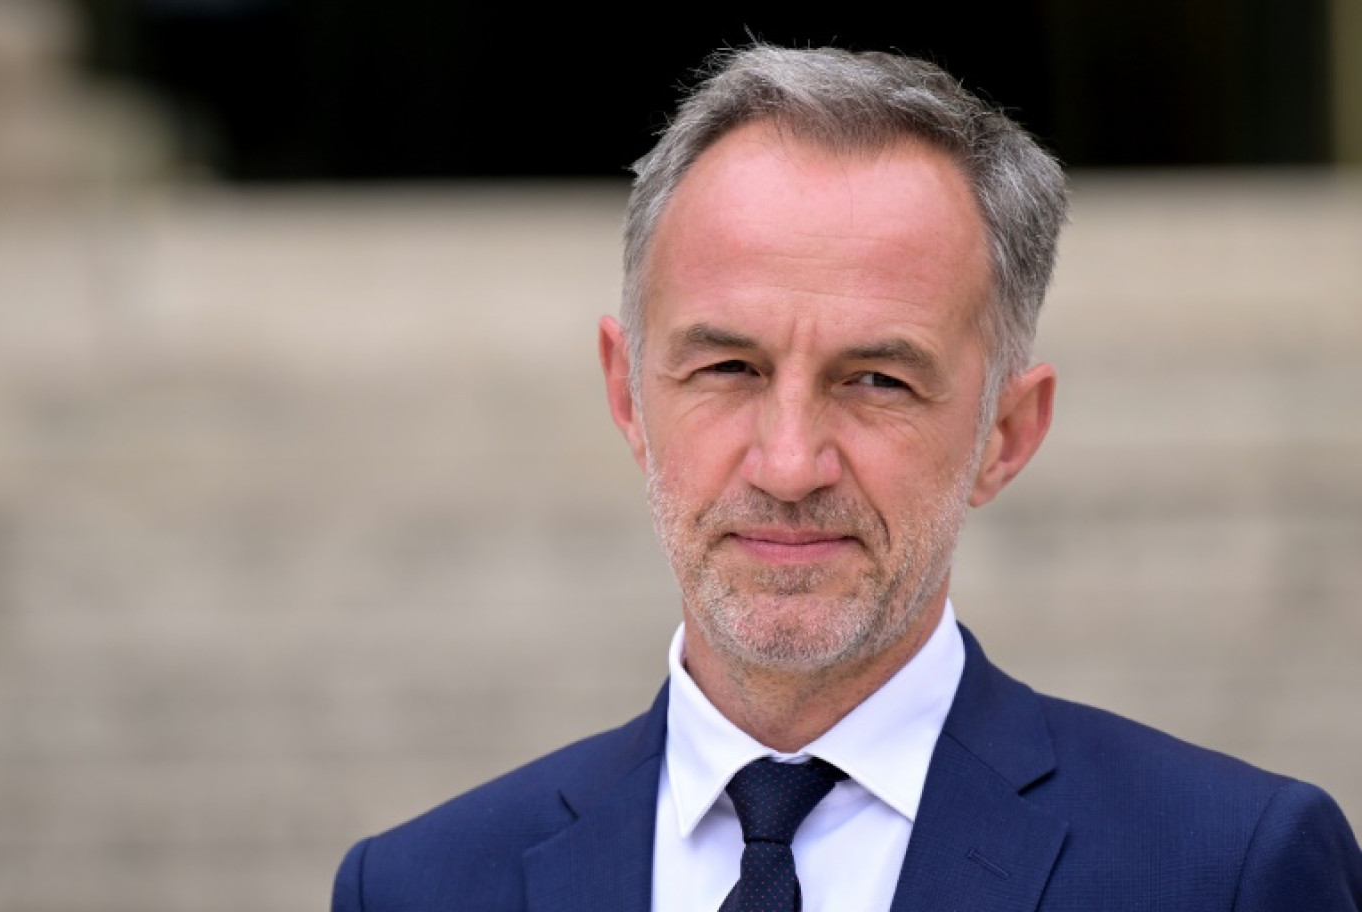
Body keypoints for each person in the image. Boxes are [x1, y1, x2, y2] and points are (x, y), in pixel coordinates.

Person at [332, 44, 1362, 911]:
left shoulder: (1229, 873)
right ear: (628, 395)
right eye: (728, 368)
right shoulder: (420, 887)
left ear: (1006, 432)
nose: (789, 465)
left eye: (876, 380)